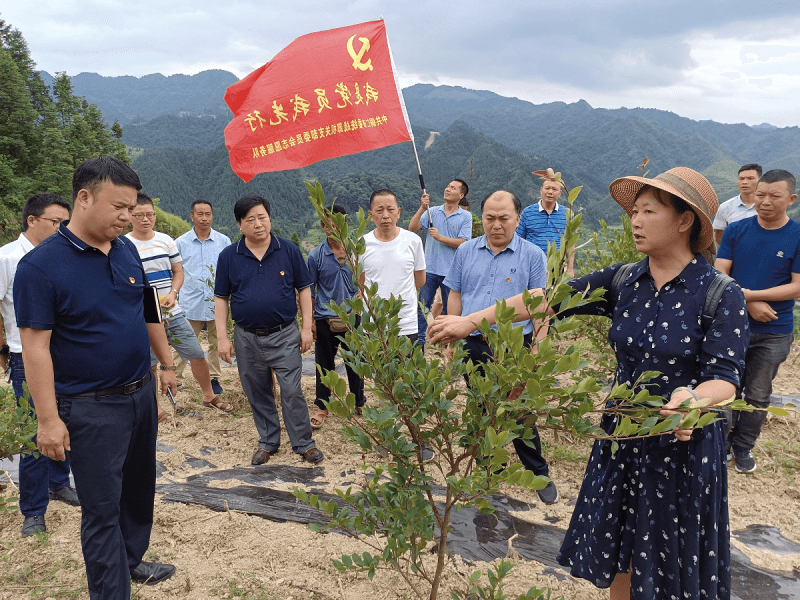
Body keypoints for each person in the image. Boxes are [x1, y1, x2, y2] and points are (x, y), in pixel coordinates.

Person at [430, 167, 749, 600]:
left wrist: (694, 398)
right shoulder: (624, 281)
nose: (635, 220)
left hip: (680, 446)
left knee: (670, 562)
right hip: (620, 437)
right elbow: (547, 298)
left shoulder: (718, 292)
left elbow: (726, 379)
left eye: (648, 211)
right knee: (620, 551)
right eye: (634, 211)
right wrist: (468, 321)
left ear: (684, 220)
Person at [14, 156, 179, 599]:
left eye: (132, 208)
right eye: (119, 207)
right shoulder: (42, 267)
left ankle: (131, 559)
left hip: (139, 393)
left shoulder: (125, 249)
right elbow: (35, 347)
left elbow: (146, 308)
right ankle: (111, 591)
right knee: (102, 508)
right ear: (83, 198)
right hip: (90, 406)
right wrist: (48, 420)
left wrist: (165, 363)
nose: (128, 217)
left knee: (140, 489)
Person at [442, 190, 557, 504]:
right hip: (473, 344)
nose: (496, 225)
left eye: (504, 218)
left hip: (514, 347)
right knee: (480, 406)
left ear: (517, 219)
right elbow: (455, 294)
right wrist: (452, 335)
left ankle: (537, 474)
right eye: (490, 218)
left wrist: (536, 353)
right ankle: (489, 470)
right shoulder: (465, 251)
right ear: (482, 219)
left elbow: (540, 307)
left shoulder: (533, 254)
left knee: (519, 413)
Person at [214, 194, 323, 465]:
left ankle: (303, 443)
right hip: (246, 337)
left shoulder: (288, 250)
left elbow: (305, 289)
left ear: (270, 218)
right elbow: (221, 299)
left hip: (285, 334)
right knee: (257, 390)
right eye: (250, 219)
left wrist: (306, 329)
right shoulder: (229, 256)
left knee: (292, 390)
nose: (258, 224)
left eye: (262, 217)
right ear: (240, 224)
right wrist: (222, 338)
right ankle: (268, 441)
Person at [0, 193, 78, 537]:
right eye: (55, 222)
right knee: (36, 433)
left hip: (63, 354)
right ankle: (33, 510)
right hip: (25, 357)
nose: (62, 229)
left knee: (67, 422)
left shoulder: (65, 256)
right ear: (32, 220)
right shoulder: (7, 258)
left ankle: (59, 483)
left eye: (65, 222)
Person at [716, 169, 800, 473]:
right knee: (726, 387)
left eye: (773, 196)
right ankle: (721, 444)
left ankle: (744, 447)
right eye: (760, 194)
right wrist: (749, 301)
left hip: (775, 331)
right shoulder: (737, 230)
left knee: (758, 393)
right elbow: (720, 273)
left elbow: (797, 285)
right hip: (733, 325)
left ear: (790, 199)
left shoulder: (797, 235)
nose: (764, 201)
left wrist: (749, 294)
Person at [126, 193, 231, 413]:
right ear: (130, 216)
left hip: (172, 310)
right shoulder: (123, 245)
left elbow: (177, 271)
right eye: (139, 215)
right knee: (151, 363)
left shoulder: (166, 240)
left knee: (195, 352)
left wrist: (174, 293)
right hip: (144, 315)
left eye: (150, 214)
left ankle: (209, 395)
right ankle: (155, 407)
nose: (145, 219)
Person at [307, 205, 364, 430]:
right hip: (324, 317)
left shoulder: (355, 250)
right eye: (328, 223)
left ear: (346, 223)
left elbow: (363, 276)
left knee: (355, 361)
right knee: (324, 364)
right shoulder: (316, 256)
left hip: (352, 316)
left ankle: (359, 401)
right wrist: (309, 321)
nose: (333, 227)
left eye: (338, 222)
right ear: (322, 226)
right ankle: (322, 406)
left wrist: (361, 291)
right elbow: (309, 291)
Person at [174, 200, 231, 394]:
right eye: (200, 214)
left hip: (217, 302)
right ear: (192, 216)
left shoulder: (223, 241)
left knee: (216, 342)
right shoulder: (181, 243)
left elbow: (230, 270)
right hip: (190, 301)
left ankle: (214, 377)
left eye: (208, 213)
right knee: (184, 340)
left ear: (212, 216)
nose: (204, 218)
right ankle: (175, 378)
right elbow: (175, 271)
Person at [408, 179, 472, 347]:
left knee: (450, 312)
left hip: (451, 272)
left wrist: (440, 237)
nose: (447, 189)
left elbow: (464, 242)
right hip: (429, 269)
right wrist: (422, 207)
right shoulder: (432, 211)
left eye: (453, 187)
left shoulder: (465, 216)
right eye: (447, 186)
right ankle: (419, 345)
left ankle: (448, 346)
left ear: (461, 194)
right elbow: (412, 227)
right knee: (422, 309)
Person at [362, 189, 426, 343]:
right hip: (373, 324)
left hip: (405, 323)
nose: (385, 216)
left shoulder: (413, 241)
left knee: (408, 365)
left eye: (390, 210)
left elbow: (420, 280)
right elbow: (361, 282)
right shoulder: (362, 244)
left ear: (398, 212)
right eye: (379, 210)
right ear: (370, 215)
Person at [516, 175, 575, 276]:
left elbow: (570, 244)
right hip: (531, 265)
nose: (550, 192)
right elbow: (518, 240)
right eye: (547, 188)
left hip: (557, 267)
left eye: (554, 189)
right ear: (541, 190)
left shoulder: (567, 213)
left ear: (560, 193)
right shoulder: (527, 213)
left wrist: (570, 268)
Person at [713, 163, 762, 245]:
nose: (745, 182)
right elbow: (720, 237)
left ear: (760, 181)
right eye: (741, 179)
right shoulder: (725, 207)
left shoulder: (768, 206)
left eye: (750, 178)